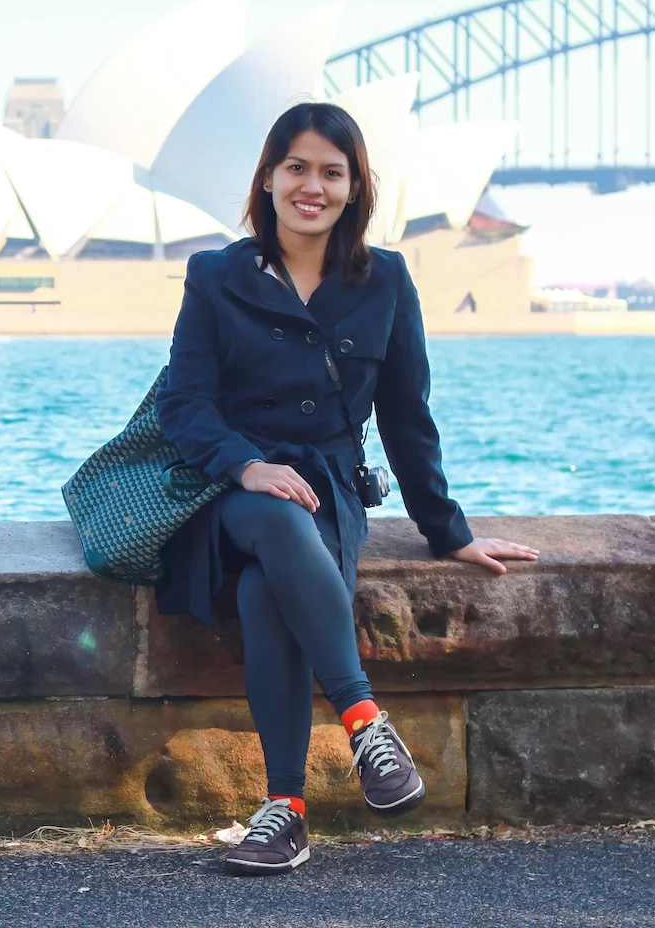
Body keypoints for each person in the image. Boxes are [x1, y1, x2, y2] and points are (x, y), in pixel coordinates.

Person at [153, 102, 539, 876]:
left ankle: (285, 812)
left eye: (332, 172)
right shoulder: (216, 274)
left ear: (355, 187)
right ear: (267, 178)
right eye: (297, 167)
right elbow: (184, 402)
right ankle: (365, 719)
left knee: (269, 587)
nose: (312, 186)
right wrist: (245, 464)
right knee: (273, 523)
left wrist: (447, 529)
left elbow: (405, 412)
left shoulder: (384, 279)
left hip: (328, 485)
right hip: (229, 488)